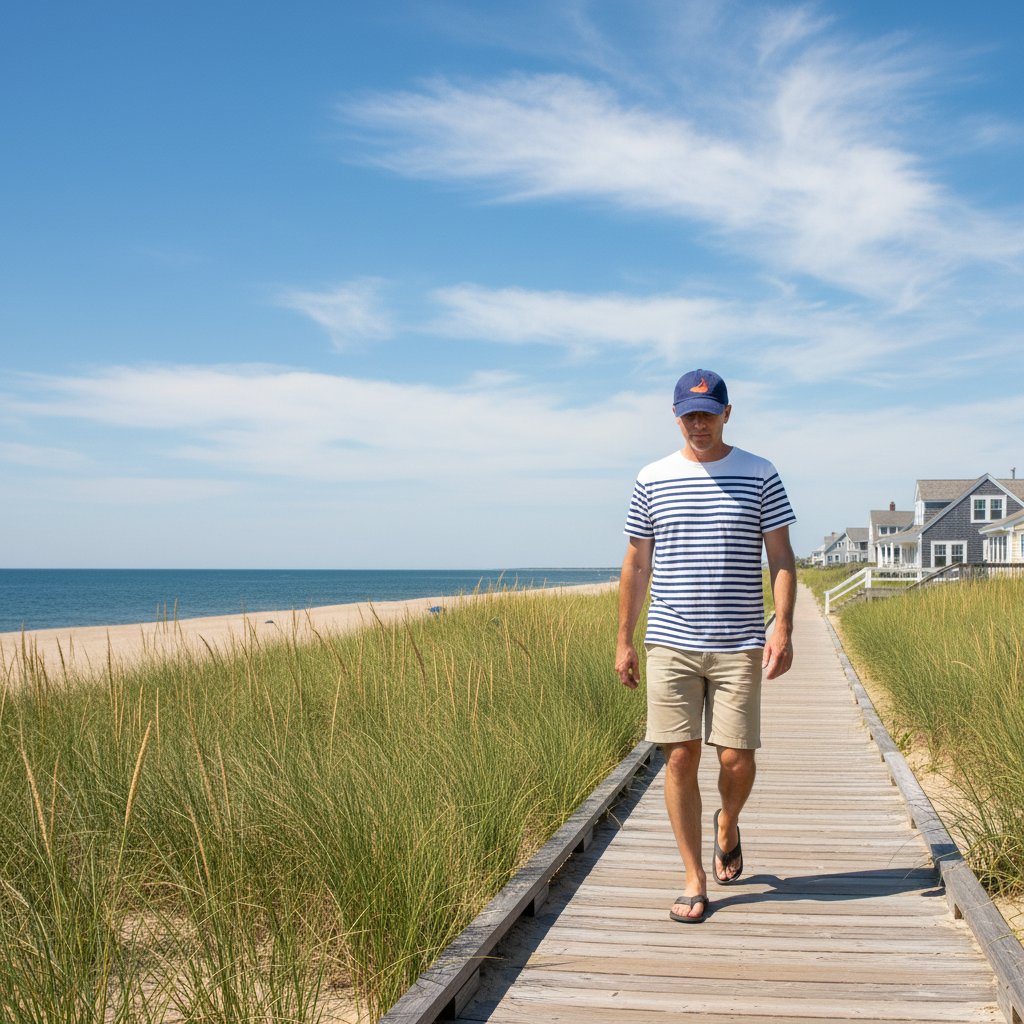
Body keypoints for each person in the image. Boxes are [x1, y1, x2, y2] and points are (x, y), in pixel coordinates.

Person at [615, 369, 796, 923]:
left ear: (726, 413)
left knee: (737, 759)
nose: (699, 424)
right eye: (689, 414)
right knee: (679, 756)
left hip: (739, 640)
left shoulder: (760, 473)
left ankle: (727, 823)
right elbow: (637, 562)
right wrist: (624, 640)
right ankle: (694, 877)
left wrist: (782, 627)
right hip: (670, 641)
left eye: (708, 413)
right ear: (676, 416)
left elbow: (782, 558)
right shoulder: (653, 477)